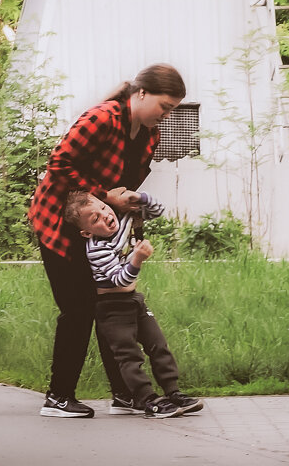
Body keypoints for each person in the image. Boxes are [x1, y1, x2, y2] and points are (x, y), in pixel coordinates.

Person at [28, 63, 186, 418]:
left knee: (111, 305)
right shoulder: (102, 118)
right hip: (59, 223)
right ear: (141, 94)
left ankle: (126, 394)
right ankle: (58, 397)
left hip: (100, 225)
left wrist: (128, 208)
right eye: (164, 106)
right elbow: (58, 165)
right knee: (79, 308)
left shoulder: (149, 134)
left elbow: (125, 184)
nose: (166, 115)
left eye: (172, 109)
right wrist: (105, 196)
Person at [64, 189, 204, 418]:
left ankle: (173, 392)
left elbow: (157, 210)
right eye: (95, 219)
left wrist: (137, 198)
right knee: (129, 356)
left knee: (158, 345)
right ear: (86, 232)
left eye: (103, 208)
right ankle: (147, 399)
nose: (105, 216)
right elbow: (120, 279)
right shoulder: (97, 248)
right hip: (112, 308)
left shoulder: (123, 218)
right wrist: (137, 259)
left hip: (134, 301)